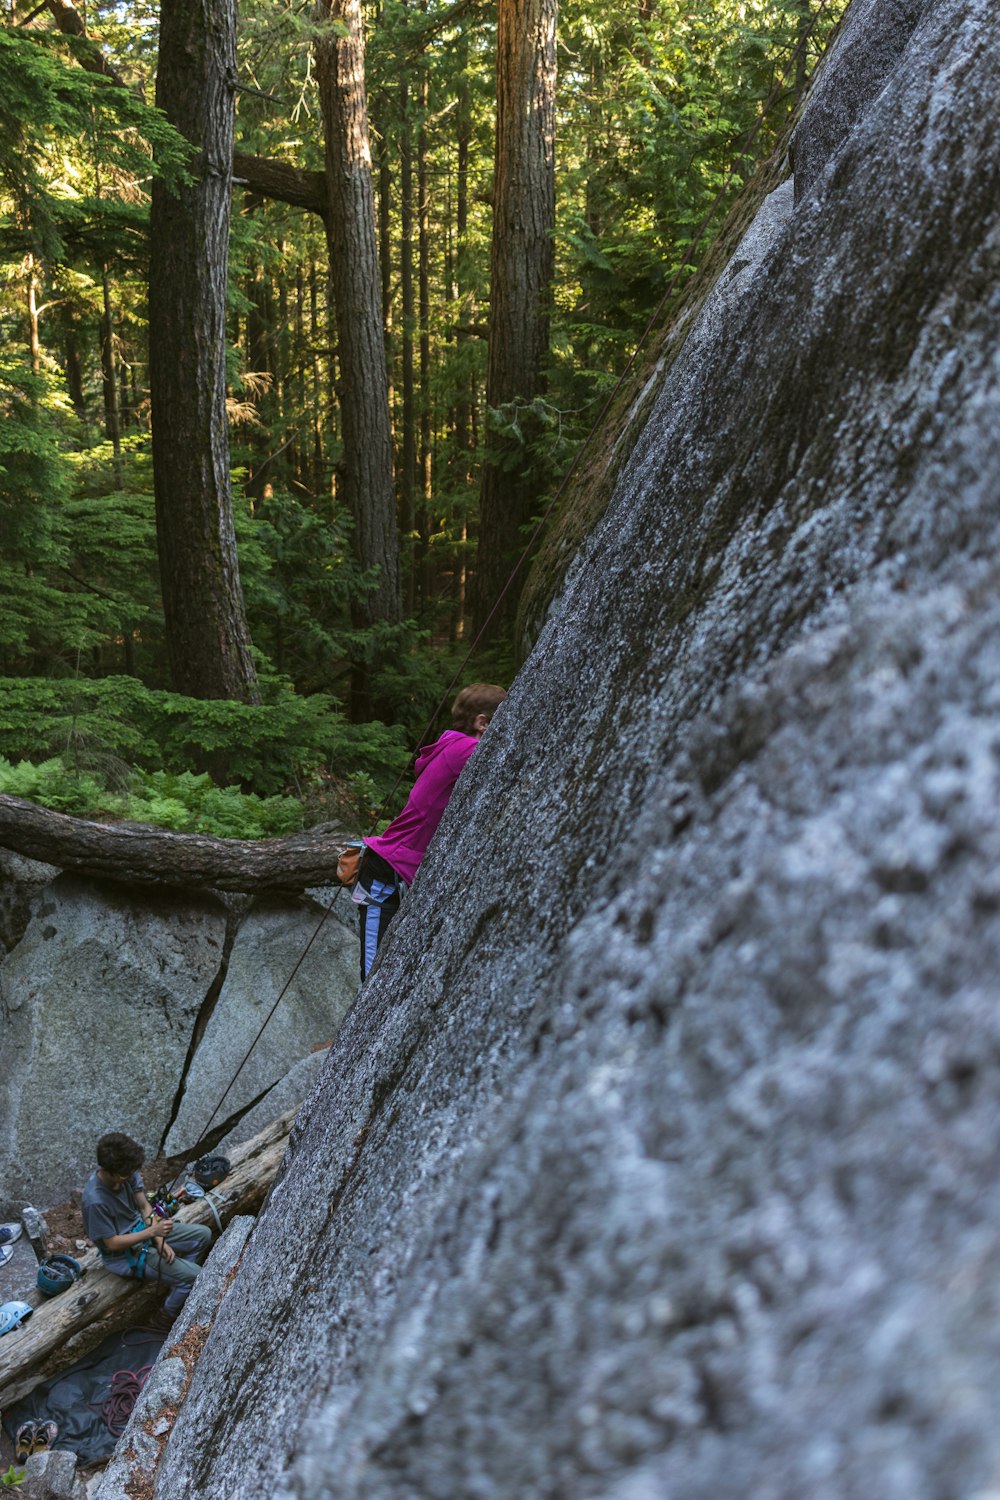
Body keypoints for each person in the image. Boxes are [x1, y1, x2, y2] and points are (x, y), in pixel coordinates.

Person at [356, 682, 506, 979]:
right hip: (384, 871)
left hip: (397, 870)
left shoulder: (450, 744)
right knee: (372, 973)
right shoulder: (467, 749)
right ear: (482, 723)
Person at [81, 1132, 212, 1324]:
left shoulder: (127, 1172)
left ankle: (176, 1282)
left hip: (145, 1231)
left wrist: (159, 1241)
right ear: (115, 1174)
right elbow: (112, 1244)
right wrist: (153, 1232)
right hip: (124, 1255)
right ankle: (166, 1316)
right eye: (128, 1174)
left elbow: (144, 1207)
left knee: (203, 1235)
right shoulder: (95, 1201)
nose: (133, 1175)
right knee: (195, 1277)